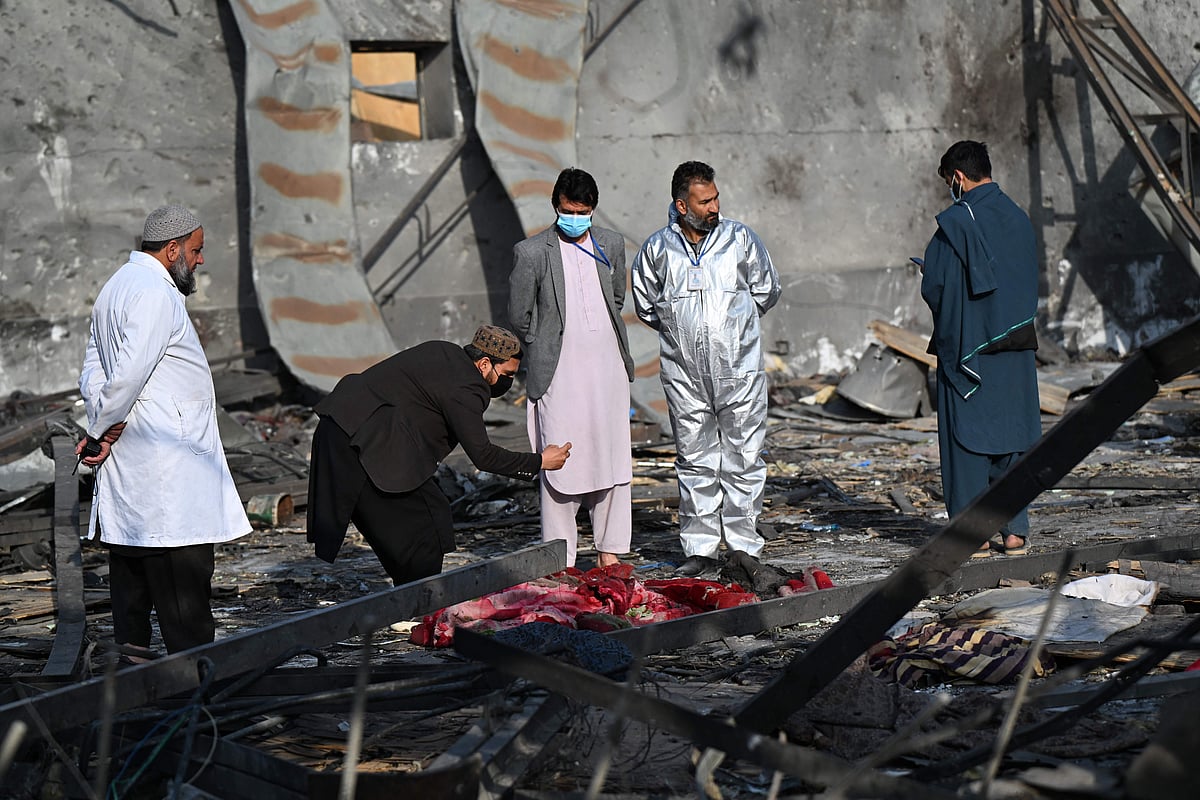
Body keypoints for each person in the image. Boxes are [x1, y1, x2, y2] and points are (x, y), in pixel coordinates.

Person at [77, 205, 251, 657]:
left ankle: (133, 692)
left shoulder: (116, 286)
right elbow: (129, 373)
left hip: (137, 469)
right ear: (172, 249)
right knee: (183, 607)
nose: (200, 260)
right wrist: (102, 428)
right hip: (168, 477)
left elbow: (94, 370)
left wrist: (100, 422)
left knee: (132, 595)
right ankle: (193, 702)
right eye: (196, 251)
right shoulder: (155, 294)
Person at [306, 325, 573, 584]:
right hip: (363, 446)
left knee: (424, 517)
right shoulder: (469, 388)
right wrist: (539, 462)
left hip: (344, 426)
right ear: (483, 364)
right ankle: (421, 604)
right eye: (506, 374)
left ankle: (412, 595)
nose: (509, 381)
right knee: (424, 530)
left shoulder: (443, 351)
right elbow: (483, 456)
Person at [631, 161, 782, 577]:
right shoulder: (657, 250)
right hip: (685, 373)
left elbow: (767, 290)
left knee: (744, 456)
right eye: (705, 200)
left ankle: (742, 546)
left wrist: (733, 330)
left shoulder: (740, 240)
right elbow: (646, 305)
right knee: (694, 458)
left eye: (716, 197)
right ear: (682, 205)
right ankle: (700, 548)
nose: (715, 206)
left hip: (739, 370)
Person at [507, 167, 635, 569]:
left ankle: (609, 552)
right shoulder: (531, 252)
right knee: (559, 457)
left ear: (593, 210)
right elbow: (519, 314)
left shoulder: (611, 243)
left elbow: (616, 299)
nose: (575, 217)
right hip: (558, 372)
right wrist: (542, 344)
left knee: (611, 456)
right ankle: (558, 559)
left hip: (607, 370)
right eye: (567, 210)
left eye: (582, 211)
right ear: (555, 207)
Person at [920, 140, 1041, 556]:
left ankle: (972, 534)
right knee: (1011, 441)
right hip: (1017, 349)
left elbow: (936, 285)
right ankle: (1014, 532)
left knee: (966, 444)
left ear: (957, 178)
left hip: (969, 352)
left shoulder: (957, 222)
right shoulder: (1019, 218)